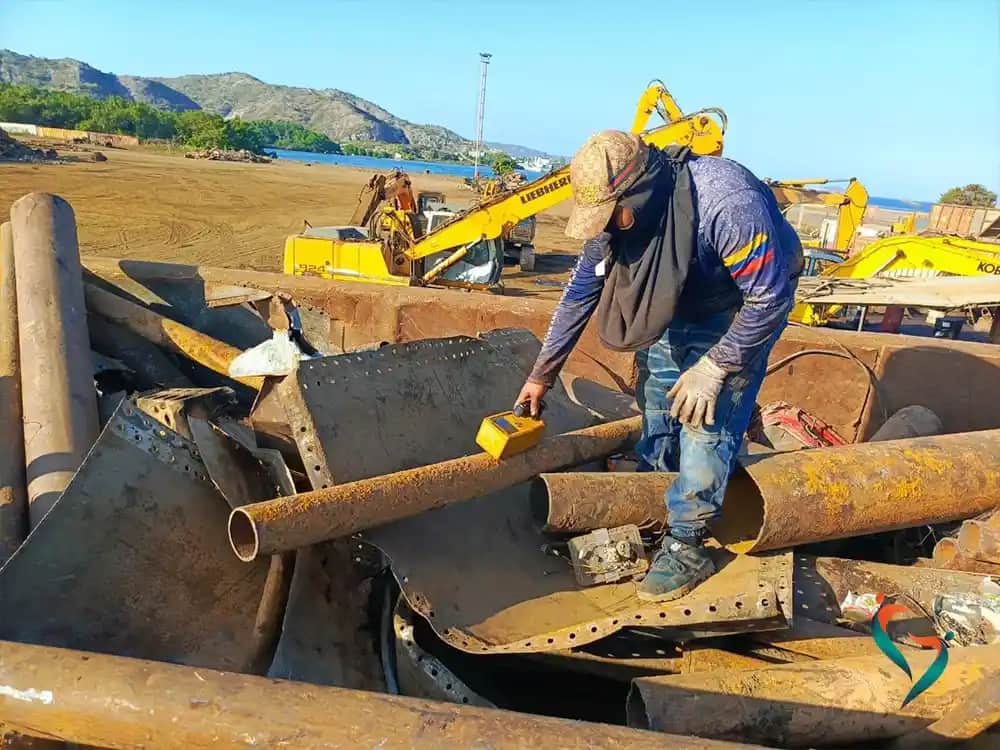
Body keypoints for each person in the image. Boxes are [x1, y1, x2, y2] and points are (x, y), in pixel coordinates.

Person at [515, 130, 803, 602]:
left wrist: (715, 368)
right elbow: (579, 293)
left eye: (613, 216)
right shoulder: (617, 223)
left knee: (703, 422)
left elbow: (768, 299)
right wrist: (541, 375)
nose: (609, 226)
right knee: (657, 410)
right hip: (677, 303)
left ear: (639, 192)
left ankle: (688, 543)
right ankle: (655, 509)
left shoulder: (725, 204)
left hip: (739, 308)